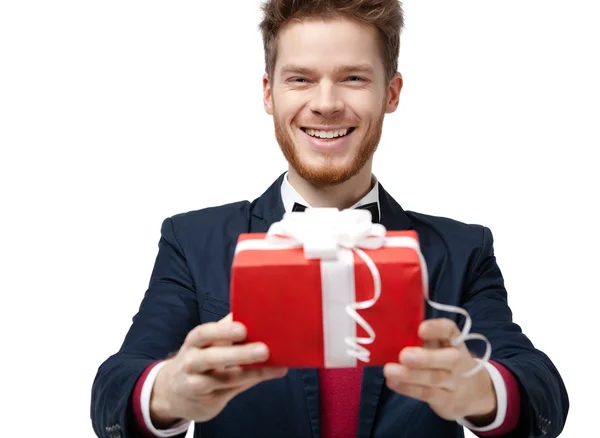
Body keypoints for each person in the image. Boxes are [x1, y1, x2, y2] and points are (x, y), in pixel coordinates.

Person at [90, 1, 569, 437]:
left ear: (392, 93)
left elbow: (539, 387)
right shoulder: (191, 240)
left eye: (354, 78)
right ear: (268, 93)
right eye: (299, 78)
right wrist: (168, 391)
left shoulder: (462, 250)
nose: (325, 102)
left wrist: (482, 393)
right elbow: (116, 384)